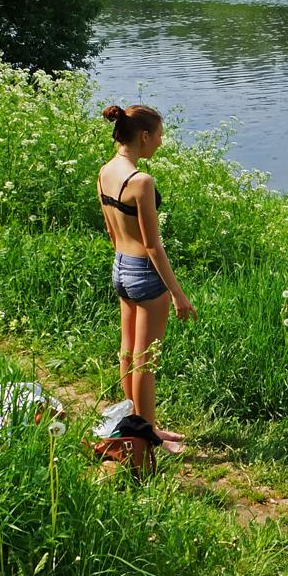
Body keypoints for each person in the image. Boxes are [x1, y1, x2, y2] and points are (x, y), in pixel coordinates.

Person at [98, 104, 194, 448]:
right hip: (145, 272)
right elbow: (154, 246)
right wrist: (179, 295)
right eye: (159, 136)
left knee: (128, 351)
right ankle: (148, 433)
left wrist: (124, 263)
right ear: (143, 136)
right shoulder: (141, 181)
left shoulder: (106, 171)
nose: (161, 142)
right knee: (145, 359)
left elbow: (111, 230)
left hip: (120, 266)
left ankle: (132, 422)